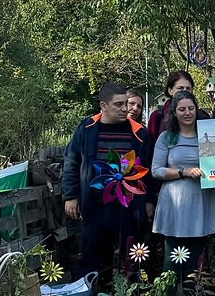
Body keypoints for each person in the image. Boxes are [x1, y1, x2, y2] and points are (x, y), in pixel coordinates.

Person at [62, 83, 154, 278]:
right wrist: (71, 196)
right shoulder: (86, 128)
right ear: (103, 105)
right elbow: (72, 161)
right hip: (94, 205)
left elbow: (148, 170)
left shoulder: (139, 133)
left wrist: (149, 200)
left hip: (129, 207)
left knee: (130, 258)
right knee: (91, 256)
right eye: (118, 104)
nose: (125, 109)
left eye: (125, 104)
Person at [151, 90, 215, 276]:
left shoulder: (208, 136)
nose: (187, 113)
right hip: (174, 207)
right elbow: (156, 171)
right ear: (174, 113)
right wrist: (183, 172)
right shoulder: (166, 138)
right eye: (182, 109)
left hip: (200, 204)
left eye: (191, 108)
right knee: (171, 264)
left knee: (195, 265)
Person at [147, 71, 209, 146]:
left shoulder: (202, 117)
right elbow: (149, 149)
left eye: (188, 88)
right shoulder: (157, 117)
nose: (185, 91)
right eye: (180, 88)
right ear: (170, 90)